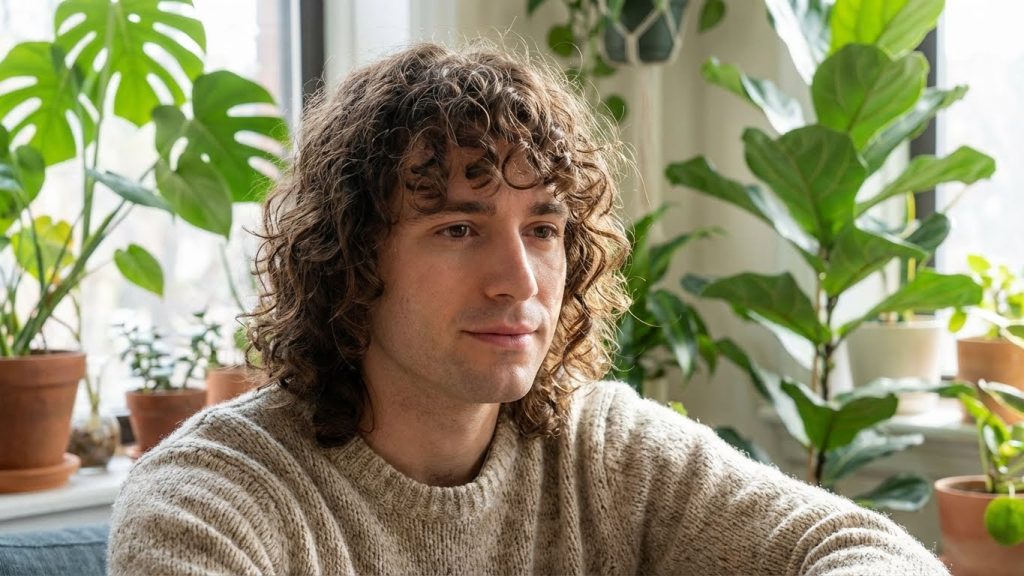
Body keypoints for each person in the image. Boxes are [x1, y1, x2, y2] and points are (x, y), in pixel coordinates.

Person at [108, 42, 948, 575]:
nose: (520, 279)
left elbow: (867, 551)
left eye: (543, 227)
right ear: (353, 260)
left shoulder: (603, 449)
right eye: (459, 228)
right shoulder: (212, 496)